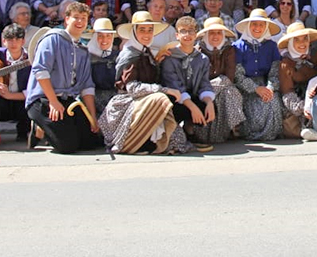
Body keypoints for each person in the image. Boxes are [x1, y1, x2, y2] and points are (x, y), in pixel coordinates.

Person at [24, 1, 103, 153]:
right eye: (76, 17)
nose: (80, 22)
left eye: (84, 18)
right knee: (67, 146)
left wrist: (92, 117)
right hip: (44, 99)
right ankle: (39, 128)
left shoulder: (83, 50)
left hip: (68, 100)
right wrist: (53, 101)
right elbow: (40, 70)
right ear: (66, 19)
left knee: (92, 141)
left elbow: (87, 85)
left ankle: (51, 129)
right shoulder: (52, 39)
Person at [99, 11, 178, 154]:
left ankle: (154, 142)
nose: (147, 34)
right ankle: (132, 142)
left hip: (143, 101)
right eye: (142, 30)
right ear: (134, 31)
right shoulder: (130, 54)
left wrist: (157, 63)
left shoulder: (145, 52)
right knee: (159, 98)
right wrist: (164, 90)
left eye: (150, 30)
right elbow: (132, 88)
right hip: (127, 103)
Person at [160, 16, 217, 153]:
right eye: (183, 31)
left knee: (209, 106)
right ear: (177, 35)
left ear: (196, 34)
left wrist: (209, 102)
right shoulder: (170, 58)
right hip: (175, 98)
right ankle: (177, 132)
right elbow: (174, 86)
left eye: (191, 31)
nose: (187, 35)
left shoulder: (202, 58)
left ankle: (190, 129)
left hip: (192, 94)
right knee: (178, 107)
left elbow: (204, 83)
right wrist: (192, 107)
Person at [192, 17, 246, 144]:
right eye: (211, 33)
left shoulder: (229, 49)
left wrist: (211, 89)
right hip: (201, 91)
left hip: (222, 87)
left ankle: (231, 129)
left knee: (230, 92)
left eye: (218, 33)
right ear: (205, 34)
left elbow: (229, 77)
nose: (215, 36)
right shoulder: (197, 51)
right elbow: (198, 79)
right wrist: (207, 92)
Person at [233, 8, 283, 141]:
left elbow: (275, 72)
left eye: (261, 24)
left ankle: (271, 134)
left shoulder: (272, 46)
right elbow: (238, 76)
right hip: (246, 87)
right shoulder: (238, 46)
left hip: (266, 84)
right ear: (249, 26)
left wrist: (270, 88)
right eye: (254, 24)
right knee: (256, 116)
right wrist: (256, 89)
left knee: (273, 103)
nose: (258, 27)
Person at [276, 21, 317, 138]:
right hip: (297, 104)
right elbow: (288, 95)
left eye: (304, 39)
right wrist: (305, 108)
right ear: (290, 43)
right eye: (297, 40)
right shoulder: (286, 64)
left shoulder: (316, 57)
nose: (302, 43)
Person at [86, 17, 119, 115]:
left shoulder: (116, 55)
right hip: (92, 99)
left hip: (114, 97)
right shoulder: (86, 57)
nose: (104, 40)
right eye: (100, 36)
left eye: (108, 36)